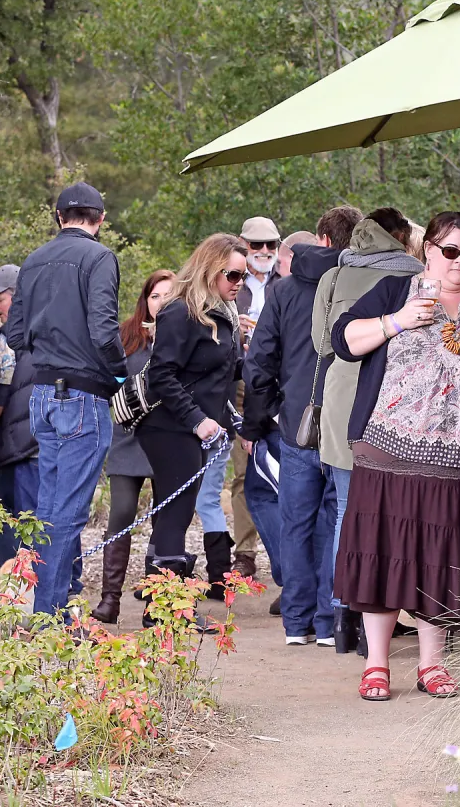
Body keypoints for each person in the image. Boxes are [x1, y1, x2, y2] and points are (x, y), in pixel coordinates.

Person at [332, 212, 460, 702]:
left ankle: (432, 665)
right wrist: (397, 322)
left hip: (459, 460)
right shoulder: (396, 291)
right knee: (383, 553)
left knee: (443, 561)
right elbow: (343, 341)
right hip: (389, 449)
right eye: (450, 250)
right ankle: (376, 664)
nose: (459, 262)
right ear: (428, 249)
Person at [4, 182, 128, 620]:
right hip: (82, 396)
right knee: (68, 512)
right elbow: (103, 329)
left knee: (49, 509)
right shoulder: (100, 258)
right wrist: (120, 373)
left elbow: (15, 333)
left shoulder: (33, 261)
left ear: (59, 217)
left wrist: (46, 360)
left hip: (42, 395)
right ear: (100, 218)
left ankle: (48, 610)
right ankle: (50, 615)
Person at [243, 206, 362, 646]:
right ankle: (331, 620)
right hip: (348, 423)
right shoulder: (363, 289)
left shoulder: (285, 290)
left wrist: (273, 410)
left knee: (295, 522)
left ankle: (296, 623)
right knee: (337, 520)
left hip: (296, 424)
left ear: (321, 238)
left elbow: (258, 361)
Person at [312, 207, 423, 653]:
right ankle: (388, 610)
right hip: (397, 396)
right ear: (398, 237)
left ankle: (344, 620)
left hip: (343, 398)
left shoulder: (334, 277)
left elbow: (323, 343)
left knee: (345, 509)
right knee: (394, 511)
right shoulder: (416, 275)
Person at [135, 234, 247, 628]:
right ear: (209, 269)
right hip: (170, 427)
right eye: (232, 274)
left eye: (243, 276)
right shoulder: (178, 312)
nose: (238, 282)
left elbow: (222, 377)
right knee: (174, 514)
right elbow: (162, 377)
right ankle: (167, 611)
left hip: (199, 429)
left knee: (175, 513)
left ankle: (162, 608)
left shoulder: (223, 314)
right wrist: (198, 420)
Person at [89, 270, 175, 624]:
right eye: (155, 296)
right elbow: (107, 376)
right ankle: (110, 600)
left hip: (170, 437)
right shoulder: (126, 335)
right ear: (145, 300)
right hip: (129, 436)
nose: (161, 303)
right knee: (121, 514)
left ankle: (158, 603)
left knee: (166, 520)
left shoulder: (186, 332)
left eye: (169, 296)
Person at [225, 215, 285, 579]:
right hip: (240, 382)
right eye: (256, 245)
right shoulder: (229, 282)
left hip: (278, 386)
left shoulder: (288, 282)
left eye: (270, 245)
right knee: (244, 472)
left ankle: (284, 554)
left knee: (284, 471)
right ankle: (244, 552)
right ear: (242, 245)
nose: (264, 252)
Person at [0, 264, 40, 567]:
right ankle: (12, 585)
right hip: (9, 447)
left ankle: (37, 589)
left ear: (17, 296)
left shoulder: (29, 335)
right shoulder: (3, 336)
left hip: (29, 447)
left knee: (31, 523)